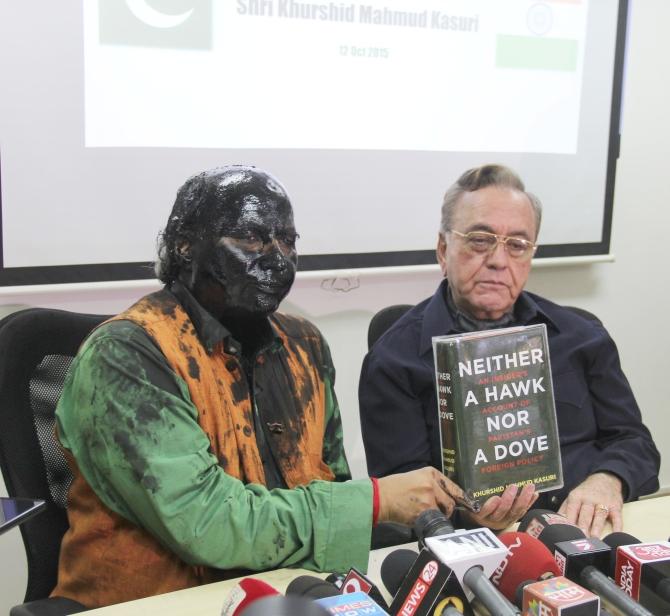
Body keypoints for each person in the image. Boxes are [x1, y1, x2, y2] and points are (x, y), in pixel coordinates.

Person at [52, 166, 461, 608]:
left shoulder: (305, 344)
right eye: (250, 238)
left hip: (292, 594)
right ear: (184, 243)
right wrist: (377, 500)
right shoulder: (126, 356)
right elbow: (206, 524)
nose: (277, 258)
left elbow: (331, 484)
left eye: (288, 241)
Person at [359, 164, 660, 538]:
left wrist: (608, 479)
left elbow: (636, 443)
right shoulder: (395, 360)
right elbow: (398, 509)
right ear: (443, 249)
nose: (499, 261)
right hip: (477, 549)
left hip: (589, 531)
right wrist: (471, 519)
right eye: (480, 240)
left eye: (517, 245)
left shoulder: (581, 336)